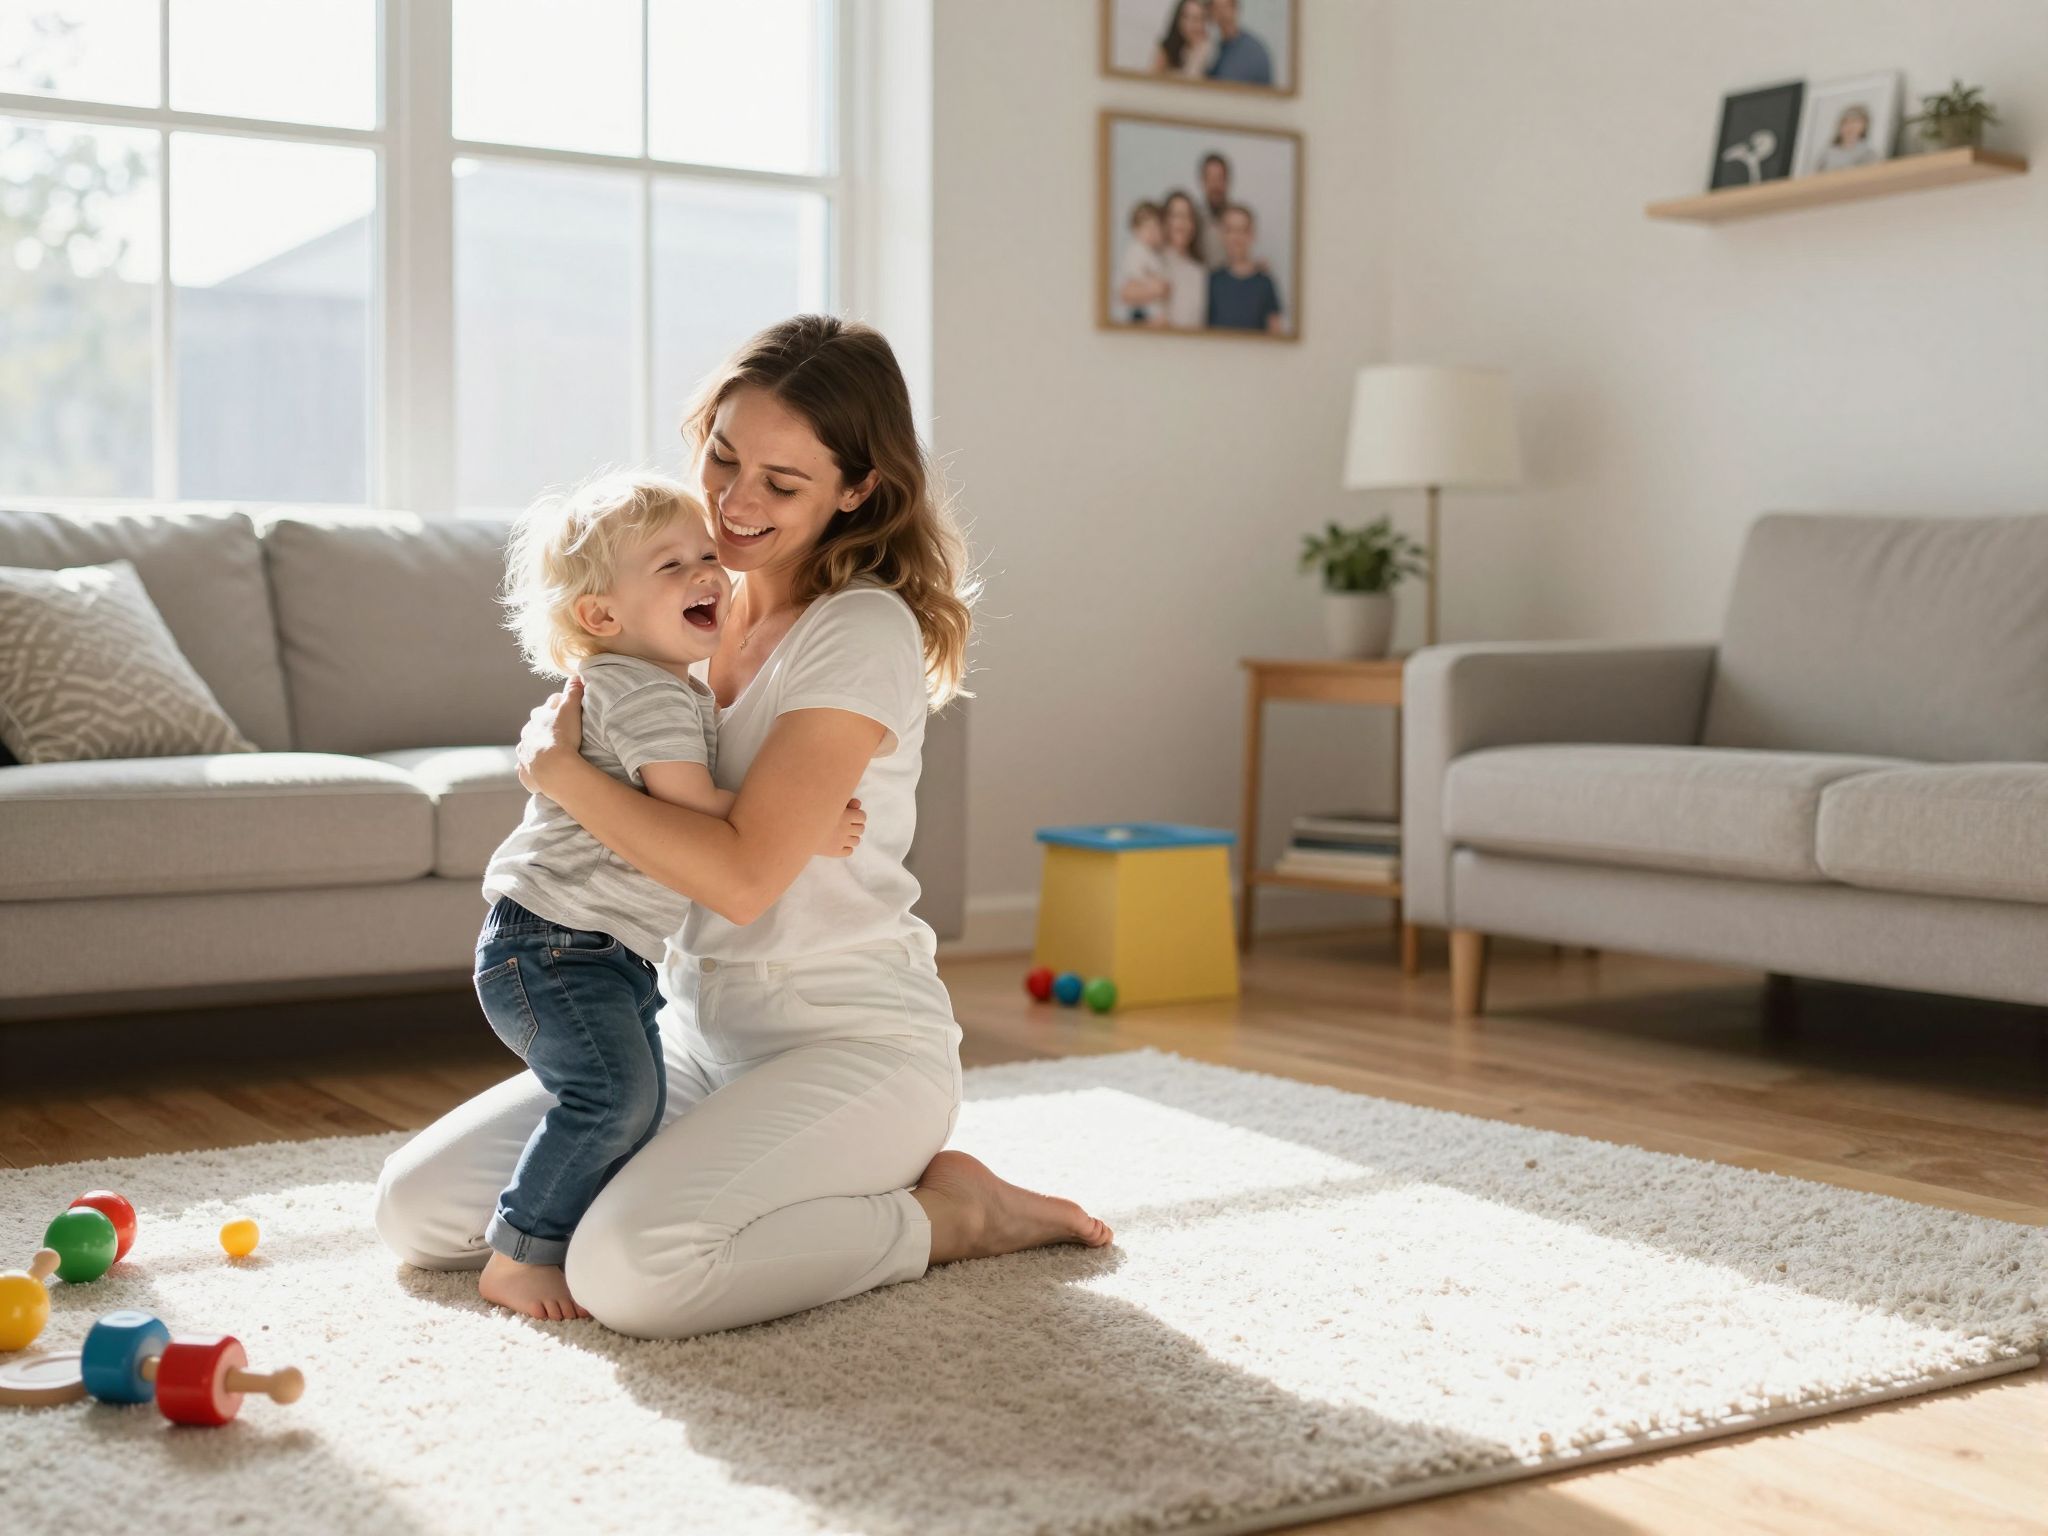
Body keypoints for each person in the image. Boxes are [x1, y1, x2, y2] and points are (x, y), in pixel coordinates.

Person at [374, 316, 1112, 1341]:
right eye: (722, 457)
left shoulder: (859, 629)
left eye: (781, 481)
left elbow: (740, 879)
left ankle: (949, 1216)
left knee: (631, 1273)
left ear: (855, 490)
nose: (733, 502)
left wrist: (554, 775)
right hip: (681, 1026)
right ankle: (737, 1183)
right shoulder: (678, 612)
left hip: (848, 1041)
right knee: (417, 1211)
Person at [471, 473, 862, 1319]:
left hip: (580, 947)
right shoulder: (641, 689)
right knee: (616, 1099)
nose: (707, 574)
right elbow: (688, 808)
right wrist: (808, 822)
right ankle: (521, 1252)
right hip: (559, 944)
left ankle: (566, 1228)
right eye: (671, 565)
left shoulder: (661, 683)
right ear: (601, 617)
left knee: (629, 1101)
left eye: (708, 556)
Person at [1206, 204, 1284, 334]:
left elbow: (1276, 331)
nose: (1236, 237)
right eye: (1230, 230)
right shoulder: (1212, 281)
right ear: (1222, 235)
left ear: (1252, 235)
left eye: (1242, 230)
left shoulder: (1265, 283)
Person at [1158, 190, 1210, 330]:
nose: (1181, 223)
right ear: (1165, 221)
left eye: (1187, 217)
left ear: (1193, 225)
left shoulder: (1199, 271)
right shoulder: (1152, 261)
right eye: (1176, 216)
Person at [1115, 199, 1171, 326]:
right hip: (1142, 312)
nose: (1152, 232)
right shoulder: (1136, 251)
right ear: (1135, 230)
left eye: (1155, 227)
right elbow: (1133, 281)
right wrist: (1156, 287)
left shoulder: (1156, 254)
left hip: (1155, 311)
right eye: (1147, 227)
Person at [1206, 0, 1274, 86]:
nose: (1221, 13)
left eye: (1225, 7)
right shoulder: (1211, 49)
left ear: (1235, 8)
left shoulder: (1254, 52)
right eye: (1216, 8)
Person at [1149, 0, 1213, 80]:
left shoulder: (1209, 49)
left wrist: (1198, 53)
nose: (1191, 24)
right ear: (1178, 19)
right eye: (1186, 17)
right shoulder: (1166, 49)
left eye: (1198, 19)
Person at [1812, 103, 1879, 172]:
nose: (1850, 127)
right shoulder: (1827, 153)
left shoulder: (1868, 153)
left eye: (1854, 122)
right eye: (1846, 122)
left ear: (1864, 126)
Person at [1196, 152, 1232, 268]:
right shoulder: (1193, 217)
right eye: (1211, 179)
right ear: (1202, 181)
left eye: (1219, 178)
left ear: (1227, 181)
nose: (1215, 185)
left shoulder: (1237, 219)